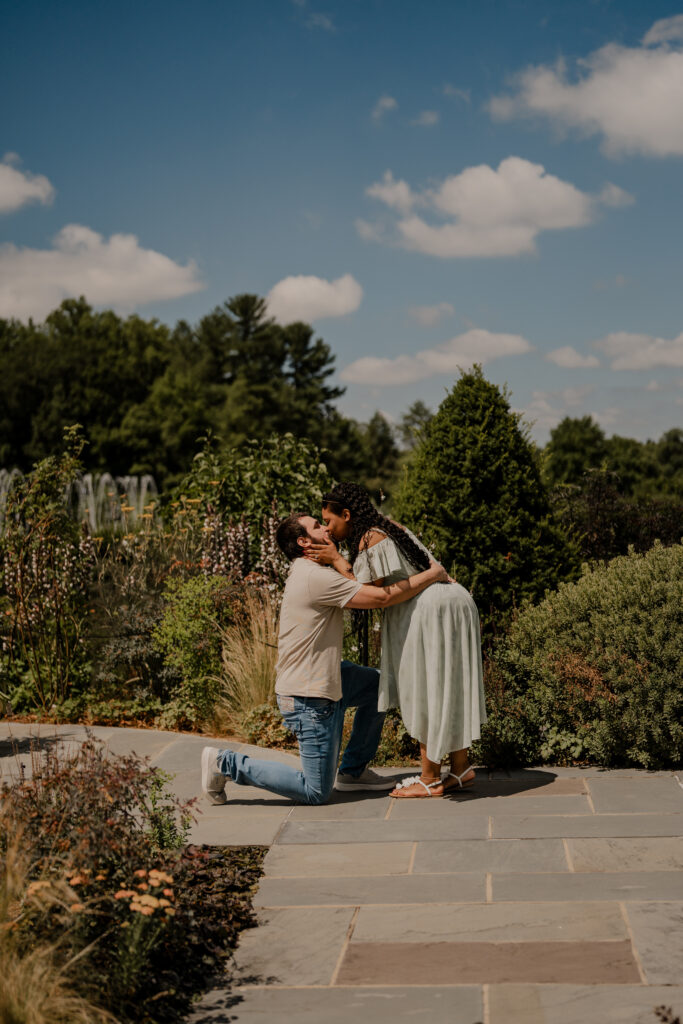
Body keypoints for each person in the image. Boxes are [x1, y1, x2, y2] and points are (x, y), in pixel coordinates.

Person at [201, 512, 448, 806]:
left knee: (380, 687)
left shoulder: (313, 570)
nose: (327, 528)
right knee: (315, 791)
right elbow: (380, 597)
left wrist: (336, 558)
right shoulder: (315, 578)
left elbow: (356, 580)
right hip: (308, 697)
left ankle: (353, 773)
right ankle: (225, 763)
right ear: (304, 541)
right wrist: (433, 573)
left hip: (326, 677)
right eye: (317, 526)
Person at [309, 482, 487, 799]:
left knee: (426, 685)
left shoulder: (369, 538)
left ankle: (430, 778)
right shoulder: (388, 527)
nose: (326, 528)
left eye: (329, 521)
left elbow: (368, 594)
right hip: (453, 602)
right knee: (449, 684)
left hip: (431, 610)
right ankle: (461, 769)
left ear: (347, 515)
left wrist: (336, 561)